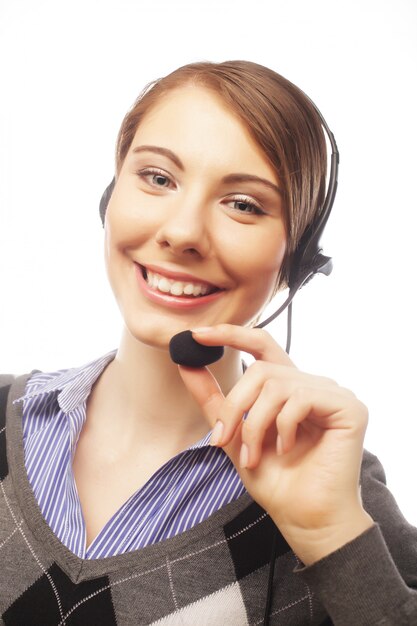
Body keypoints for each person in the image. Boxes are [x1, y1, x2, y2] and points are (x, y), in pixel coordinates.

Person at [0, 60, 416, 625]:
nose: (182, 232)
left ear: (296, 260)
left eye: (243, 204)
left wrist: (331, 535)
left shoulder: (336, 484)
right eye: (158, 178)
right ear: (110, 197)